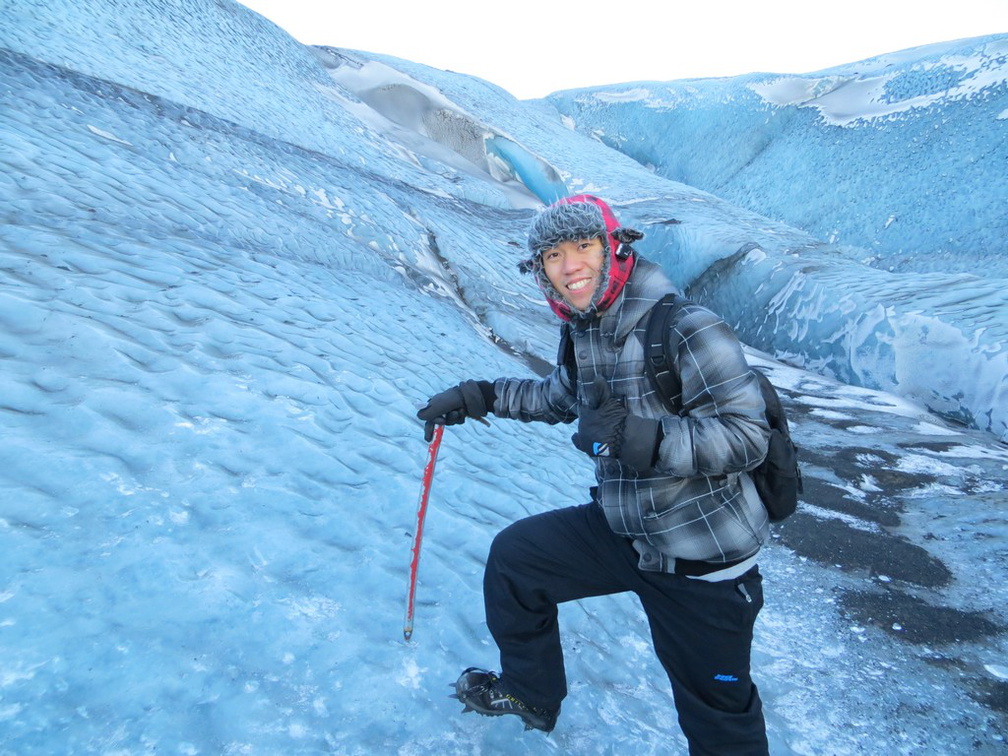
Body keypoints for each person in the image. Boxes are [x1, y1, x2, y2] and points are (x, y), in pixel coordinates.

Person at [417, 194, 771, 754]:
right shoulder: (586, 331)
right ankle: (532, 695)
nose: (570, 265)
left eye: (583, 246)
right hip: (625, 530)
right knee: (517, 562)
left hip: (701, 557)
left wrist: (640, 438)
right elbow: (559, 398)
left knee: (719, 718)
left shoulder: (685, 328)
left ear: (614, 248)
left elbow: (748, 437)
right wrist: (478, 396)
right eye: (553, 255)